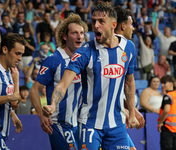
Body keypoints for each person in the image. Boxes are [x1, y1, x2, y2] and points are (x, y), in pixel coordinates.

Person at [43, 2, 139, 150]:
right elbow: (63, 84)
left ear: (114, 24)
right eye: (94, 21)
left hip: (117, 125)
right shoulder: (84, 52)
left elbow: (129, 83)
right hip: (89, 124)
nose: (96, 25)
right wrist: (53, 105)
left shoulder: (129, 47)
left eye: (101, 21)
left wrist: (132, 113)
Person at [29, 13, 88, 150]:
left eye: (82, 33)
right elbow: (33, 91)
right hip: (58, 123)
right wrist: (41, 116)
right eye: (75, 33)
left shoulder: (82, 60)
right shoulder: (54, 59)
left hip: (77, 124)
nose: (79, 36)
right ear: (65, 36)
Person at [114, 6, 145, 150]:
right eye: (131, 24)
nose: (133, 28)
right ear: (122, 26)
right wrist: (129, 111)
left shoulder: (128, 48)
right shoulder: (125, 47)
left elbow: (116, 91)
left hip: (117, 115)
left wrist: (132, 110)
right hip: (106, 120)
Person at [158, 75, 176, 150]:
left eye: (164, 83)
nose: (162, 85)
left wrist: (161, 122)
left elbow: (166, 110)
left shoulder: (167, 96)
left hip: (168, 128)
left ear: (171, 84)